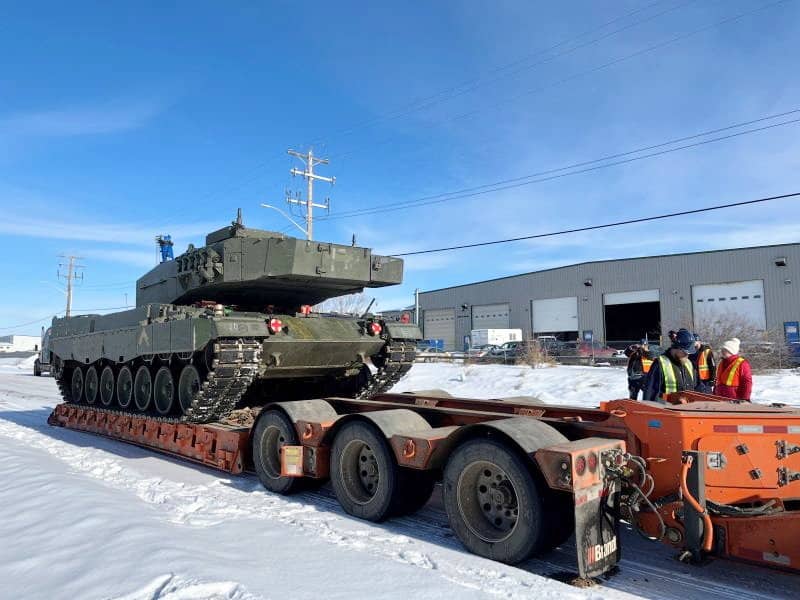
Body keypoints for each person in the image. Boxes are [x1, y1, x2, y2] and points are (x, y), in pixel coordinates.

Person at [642, 328, 699, 401]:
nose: (687, 356)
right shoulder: (660, 364)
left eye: (689, 353)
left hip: (688, 411)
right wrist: (672, 402)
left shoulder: (688, 364)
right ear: (676, 348)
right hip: (669, 411)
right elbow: (651, 397)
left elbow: (697, 388)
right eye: (685, 352)